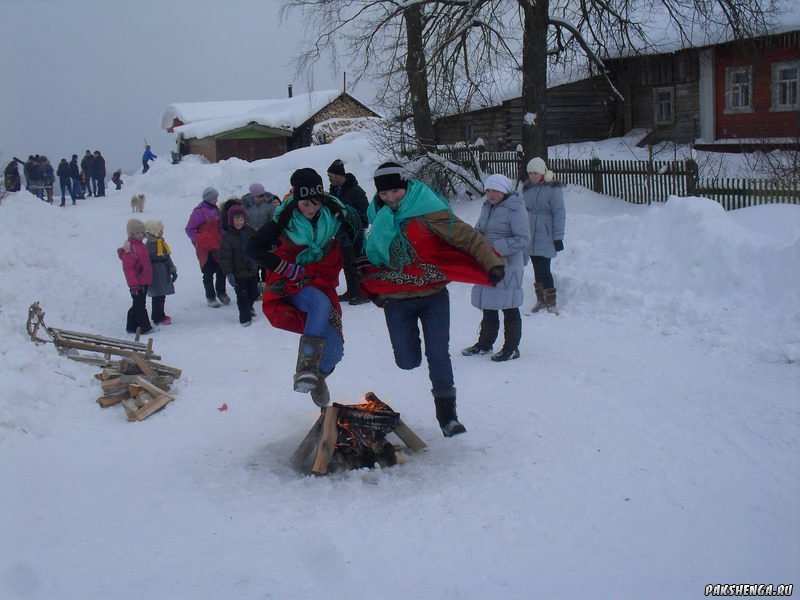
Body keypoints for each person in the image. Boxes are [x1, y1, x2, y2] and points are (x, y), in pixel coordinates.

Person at [358, 162, 505, 437]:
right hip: (397, 299)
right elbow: (370, 251)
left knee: (438, 354)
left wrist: (491, 263)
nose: (390, 198)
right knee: (407, 360)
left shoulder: (429, 211)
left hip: (433, 295)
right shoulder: (376, 216)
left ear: (405, 186)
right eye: (385, 194)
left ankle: (448, 417)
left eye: (395, 192)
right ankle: (414, 366)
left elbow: (469, 238)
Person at [246, 167, 357, 407]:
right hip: (289, 283)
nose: (311, 208)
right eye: (305, 203)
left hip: (322, 281)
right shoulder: (283, 220)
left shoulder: (334, 215)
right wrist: (285, 267)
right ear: (296, 200)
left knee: (336, 349)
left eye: (316, 202)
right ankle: (305, 367)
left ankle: (317, 378)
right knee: (319, 303)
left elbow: (358, 235)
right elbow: (252, 248)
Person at [462, 174, 531, 361]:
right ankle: (484, 344)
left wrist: (494, 247)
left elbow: (523, 239)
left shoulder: (516, 209)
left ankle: (511, 348)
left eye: (496, 190)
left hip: (508, 265)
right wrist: (474, 241)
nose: (491, 194)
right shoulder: (487, 207)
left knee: (509, 306)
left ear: (505, 191)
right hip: (488, 262)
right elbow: (479, 230)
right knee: (489, 305)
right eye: (488, 190)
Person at [522, 157, 565, 314]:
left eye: (536, 173)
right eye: (530, 173)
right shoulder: (527, 189)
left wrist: (558, 237)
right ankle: (540, 300)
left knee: (544, 268)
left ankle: (551, 302)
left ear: (542, 172)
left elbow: (559, 213)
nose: (533, 176)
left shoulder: (553, 190)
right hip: (530, 236)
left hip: (546, 235)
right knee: (536, 268)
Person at [326, 159, 369, 305]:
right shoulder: (335, 190)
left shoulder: (355, 191)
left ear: (339, 176)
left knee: (357, 262)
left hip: (354, 233)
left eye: (331, 176)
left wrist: (353, 219)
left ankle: (364, 292)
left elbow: (365, 212)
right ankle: (352, 290)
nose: (330, 179)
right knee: (346, 262)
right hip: (341, 232)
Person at [185, 186, 230, 307]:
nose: (216, 200)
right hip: (205, 249)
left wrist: (225, 237)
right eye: (215, 198)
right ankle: (210, 297)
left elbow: (219, 228)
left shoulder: (216, 210)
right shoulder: (199, 212)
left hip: (218, 245)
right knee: (208, 273)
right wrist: (198, 240)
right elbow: (189, 229)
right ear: (209, 198)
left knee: (222, 270)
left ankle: (221, 292)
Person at [220, 205, 259, 327]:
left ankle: (249, 306)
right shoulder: (228, 237)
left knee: (254, 293)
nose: (239, 222)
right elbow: (224, 258)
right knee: (242, 295)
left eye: (241, 219)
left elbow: (257, 246)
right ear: (231, 221)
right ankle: (245, 318)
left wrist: (258, 261)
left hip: (251, 270)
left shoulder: (250, 232)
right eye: (237, 219)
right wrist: (229, 273)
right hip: (238, 273)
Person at [118, 218, 156, 335]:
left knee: (137, 303)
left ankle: (131, 326)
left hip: (144, 280)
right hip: (137, 283)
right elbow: (128, 269)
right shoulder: (131, 248)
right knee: (140, 305)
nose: (140, 235)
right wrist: (134, 285)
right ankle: (145, 327)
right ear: (132, 234)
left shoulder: (141, 245)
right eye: (137, 233)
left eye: (141, 232)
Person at [144, 220, 177, 326]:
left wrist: (172, 269)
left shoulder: (160, 242)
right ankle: (157, 316)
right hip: (156, 272)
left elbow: (167, 256)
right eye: (160, 230)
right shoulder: (150, 244)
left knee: (161, 294)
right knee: (157, 295)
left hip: (163, 270)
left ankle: (160, 314)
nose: (162, 232)